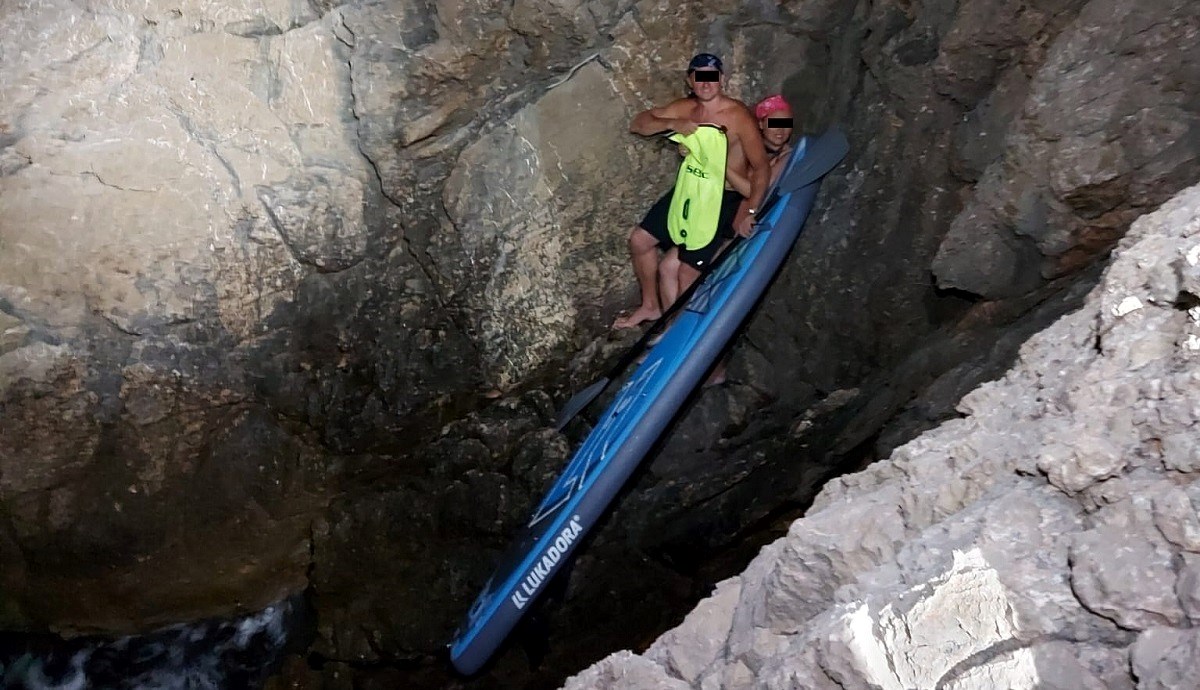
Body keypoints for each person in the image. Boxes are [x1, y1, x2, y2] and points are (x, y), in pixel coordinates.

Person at [612, 53, 770, 330]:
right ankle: (650, 306)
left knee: (686, 271)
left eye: (712, 76)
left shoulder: (737, 116)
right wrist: (671, 124)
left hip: (723, 196)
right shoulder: (685, 109)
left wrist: (752, 211)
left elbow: (761, 168)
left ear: (721, 79)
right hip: (691, 187)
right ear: (690, 80)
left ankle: (686, 332)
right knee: (639, 240)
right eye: (700, 76)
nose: (706, 83)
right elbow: (638, 123)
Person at [724, 94, 795, 195]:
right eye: (775, 123)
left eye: (786, 124)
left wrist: (722, 167)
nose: (781, 130)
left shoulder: (787, 156)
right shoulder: (745, 144)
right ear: (761, 124)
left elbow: (756, 192)